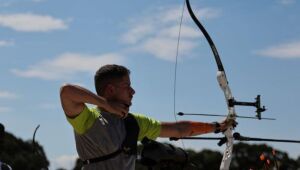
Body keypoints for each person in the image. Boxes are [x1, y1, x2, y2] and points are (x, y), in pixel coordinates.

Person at [60, 64, 233, 170]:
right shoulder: (89, 119)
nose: (133, 91)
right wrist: (106, 105)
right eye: (127, 86)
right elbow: (66, 91)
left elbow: (179, 129)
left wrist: (217, 126)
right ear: (111, 90)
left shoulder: (134, 122)